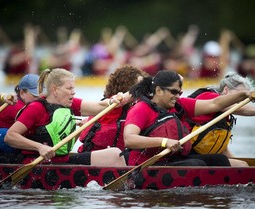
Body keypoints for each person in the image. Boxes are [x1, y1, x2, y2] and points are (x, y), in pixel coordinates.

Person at [123, 70, 253, 167]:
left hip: (172, 160)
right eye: (173, 92)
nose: (177, 96)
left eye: (179, 93)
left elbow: (215, 104)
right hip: (145, 165)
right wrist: (164, 142)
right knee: (197, 164)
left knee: (219, 160)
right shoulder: (141, 109)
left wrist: (243, 95)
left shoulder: (180, 105)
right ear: (158, 91)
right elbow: (129, 139)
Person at [4, 68, 126, 166]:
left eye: (73, 88)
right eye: (69, 88)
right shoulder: (36, 108)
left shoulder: (71, 104)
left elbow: (100, 106)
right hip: (37, 164)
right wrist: (39, 147)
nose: (73, 92)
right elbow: (10, 136)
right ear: (55, 90)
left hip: (62, 162)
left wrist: (113, 101)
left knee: (115, 155)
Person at [186, 71, 255, 167]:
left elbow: (223, 149)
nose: (241, 101)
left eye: (243, 99)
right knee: (242, 166)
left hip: (198, 155)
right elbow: (242, 110)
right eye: (240, 95)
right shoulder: (208, 97)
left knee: (243, 164)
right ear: (226, 90)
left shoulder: (224, 115)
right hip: (184, 154)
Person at [78, 65, 147, 154]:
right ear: (127, 87)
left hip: (118, 157)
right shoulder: (114, 105)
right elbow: (119, 100)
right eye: (138, 87)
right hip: (96, 155)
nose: (142, 91)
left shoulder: (137, 107)